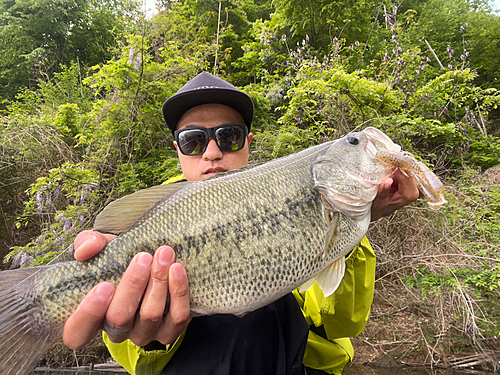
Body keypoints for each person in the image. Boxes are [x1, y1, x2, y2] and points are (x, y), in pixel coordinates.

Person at [63, 72, 420, 374]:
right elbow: (136, 359)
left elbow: (342, 322)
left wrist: (359, 224)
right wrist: (151, 339)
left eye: (228, 136)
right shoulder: (148, 224)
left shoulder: (309, 204)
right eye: (193, 141)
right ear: (178, 151)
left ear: (248, 143)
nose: (213, 152)